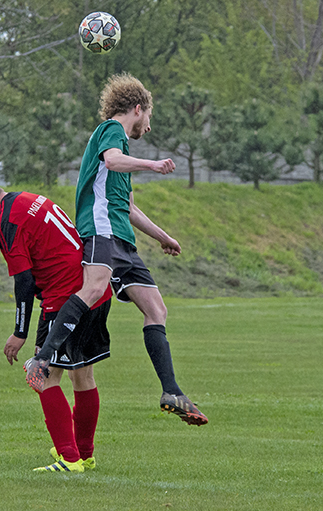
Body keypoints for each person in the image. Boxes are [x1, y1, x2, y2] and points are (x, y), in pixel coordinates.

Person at [25, 73, 208, 426]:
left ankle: (171, 391)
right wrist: (153, 165)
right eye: (149, 117)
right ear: (137, 109)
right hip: (101, 229)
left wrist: (162, 237)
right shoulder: (111, 130)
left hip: (123, 238)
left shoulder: (124, 150)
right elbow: (110, 161)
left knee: (157, 308)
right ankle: (43, 358)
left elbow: (128, 206)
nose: (149, 127)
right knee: (93, 288)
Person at [0, 174, 111, 473]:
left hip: (64, 299)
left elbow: (24, 281)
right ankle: (84, 453)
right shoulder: (28, 199)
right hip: (93, 289)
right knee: (83, 377)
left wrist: (19, 333)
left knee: (42, 376)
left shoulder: (8, 223)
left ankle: (69, 458)